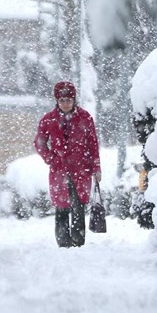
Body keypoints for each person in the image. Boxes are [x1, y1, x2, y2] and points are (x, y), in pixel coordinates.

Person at [34, 81, 101, 248]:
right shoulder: (48, 120)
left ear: (74, 100)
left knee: (79, 206)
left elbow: (93, 144)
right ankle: (63, 243)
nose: (65, 104)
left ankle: (78, 241)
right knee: (62, 206)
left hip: (81, 169)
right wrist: (51, 158)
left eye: (69, 100)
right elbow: (40, 143)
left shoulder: (85, 118)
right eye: (62, 100)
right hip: (59, 171)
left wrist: (96, 167)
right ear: (57, 101)